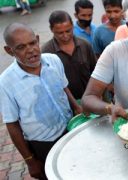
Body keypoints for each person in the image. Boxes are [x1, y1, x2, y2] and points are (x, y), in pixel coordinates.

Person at [1, 23, 80, 179]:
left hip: (70, 129)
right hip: (44, 144)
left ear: (37, 40)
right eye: (21, 47)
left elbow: (64, 88)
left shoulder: (54, 60)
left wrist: (77, 107)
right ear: (9, 51)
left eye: (32, 43)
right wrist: (30, 161)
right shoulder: (5, 82)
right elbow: (12, 124)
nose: (30, 50)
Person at [42, 11, 97, 101]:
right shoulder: (46, 52)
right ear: (51, 29)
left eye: (68, 31)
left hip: (89, 100)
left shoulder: (84, 45)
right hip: (65, 104)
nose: (65, 36)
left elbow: (96, 72)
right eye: (60, 33)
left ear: (72, 26)